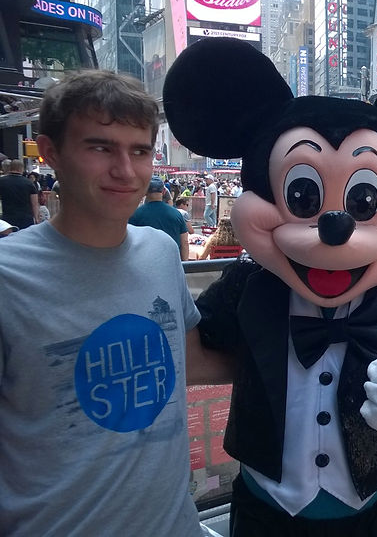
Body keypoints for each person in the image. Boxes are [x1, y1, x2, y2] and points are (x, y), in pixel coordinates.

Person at [0, 68, 227, 535]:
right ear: (50, 152)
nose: (125, 171)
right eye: (100, 148)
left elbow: (188, 361)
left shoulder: (160, 252)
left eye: (139, 151)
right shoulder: (9, 277)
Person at [129, 177, 190, 261]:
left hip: (145, 263)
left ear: (145, 191)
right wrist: (184, 263)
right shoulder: (176, 214)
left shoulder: (135, 214)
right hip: (171, 263)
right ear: (164, 191)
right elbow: (185, 242)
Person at [0, 158, 39, 230]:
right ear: (22, 169)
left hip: (7, 218)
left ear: (10, 168)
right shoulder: (29, 183)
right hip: (26, 218)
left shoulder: (1, 181)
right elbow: (34, 203)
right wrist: (36, 218)